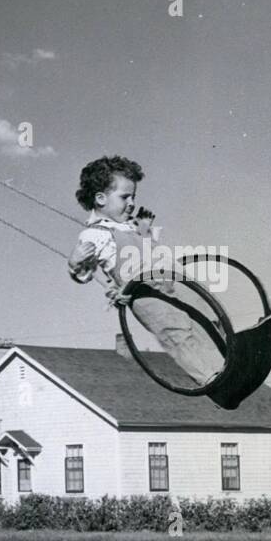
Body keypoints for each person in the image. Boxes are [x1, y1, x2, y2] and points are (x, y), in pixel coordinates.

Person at [67, 156, 224, 386]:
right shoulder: (94, 234)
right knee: (175, 332)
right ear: (100, 199)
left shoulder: (128, 225)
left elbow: (148, 251)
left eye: (134, 196)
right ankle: (211, 378)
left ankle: (229, 359)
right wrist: (75, 262)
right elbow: (86, 272)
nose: (131, 202)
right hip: (144, 294)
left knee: (203, 315)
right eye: (124, 197)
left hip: (168, 281)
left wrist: (145, 232)